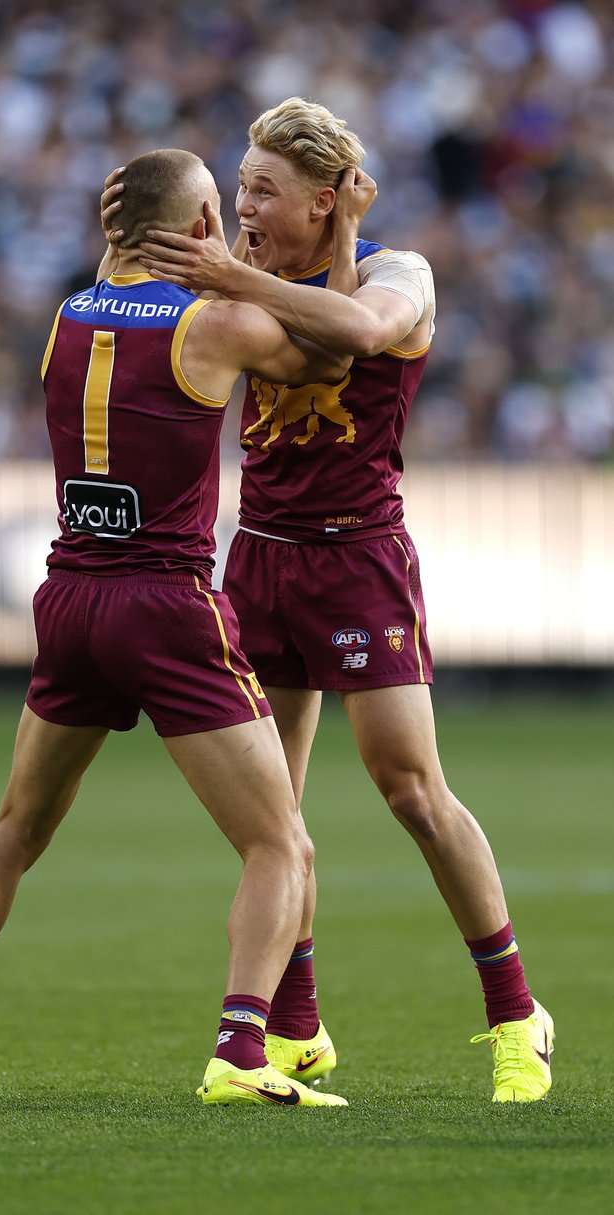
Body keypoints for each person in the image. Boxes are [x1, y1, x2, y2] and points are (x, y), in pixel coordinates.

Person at [0, 148, 351, 1109]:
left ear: (112, 230)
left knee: (15, 829)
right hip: (166, 607)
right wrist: (286, 257)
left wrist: (137, 234)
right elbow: (333, 354)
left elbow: (123, 273)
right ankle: (240, 1055)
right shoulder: (217, 324)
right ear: (202, 227)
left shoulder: (69, 314)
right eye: (222, 209)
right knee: (279, 843)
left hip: (71, 599)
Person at [104, 97, 555, 1104]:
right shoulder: (238, 286)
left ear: (322, 201)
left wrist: (237, 272)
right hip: (260, 559)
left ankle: (517, 1012)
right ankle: (295, 1026)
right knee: (276, 817)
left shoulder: (402, 273)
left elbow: (355, 334)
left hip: (358, 559)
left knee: (411, 792)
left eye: (263, 190)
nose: (242, 206)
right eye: (238, 187)